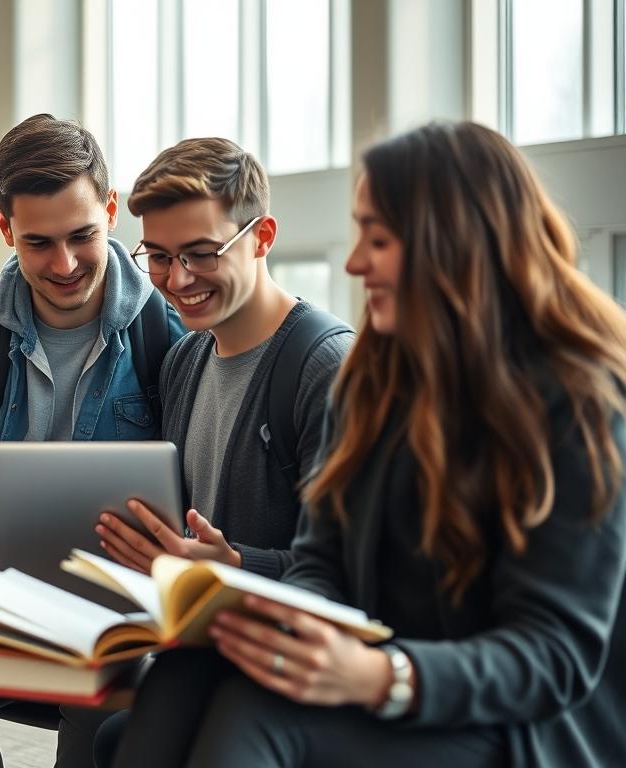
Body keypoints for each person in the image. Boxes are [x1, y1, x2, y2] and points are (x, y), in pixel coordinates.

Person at [104, 121, 626, 767]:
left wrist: (380, 675)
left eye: (378, 239)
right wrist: (286, 626)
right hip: (379, 666)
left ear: (453, 244)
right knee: (186, 675)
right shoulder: (373, 380)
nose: (354, 263)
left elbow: (556, 656)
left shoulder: (575, 402)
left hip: (509, 720)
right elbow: (324, 562)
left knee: (260, 717)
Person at [0, 113, 184, 767]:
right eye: (38, 243)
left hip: (124, 595)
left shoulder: (169, 333)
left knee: (109, 680)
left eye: (82, 236)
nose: (64, 265)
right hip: (5, 580)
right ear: (5, 228)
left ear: (112, 212)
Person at [95, 137, 352, 579]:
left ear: (262, 238)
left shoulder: (327, 367)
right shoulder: (183, 361)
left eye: (202, 253)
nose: (177, 278)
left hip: (273, 646)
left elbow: (346, 572)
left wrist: (233, 567)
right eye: (158, 256)